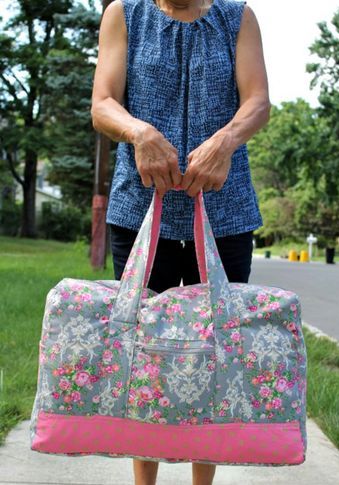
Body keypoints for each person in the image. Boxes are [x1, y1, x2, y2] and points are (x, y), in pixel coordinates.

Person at [91, 0, 270, 483]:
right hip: (140, 211)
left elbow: (257, 101)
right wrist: (140, 131)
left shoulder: (237, 18)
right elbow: (102, 102)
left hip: (224, 215)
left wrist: (224, 142)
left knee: (216, 351)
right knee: (142, 349)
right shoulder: (123, 14)